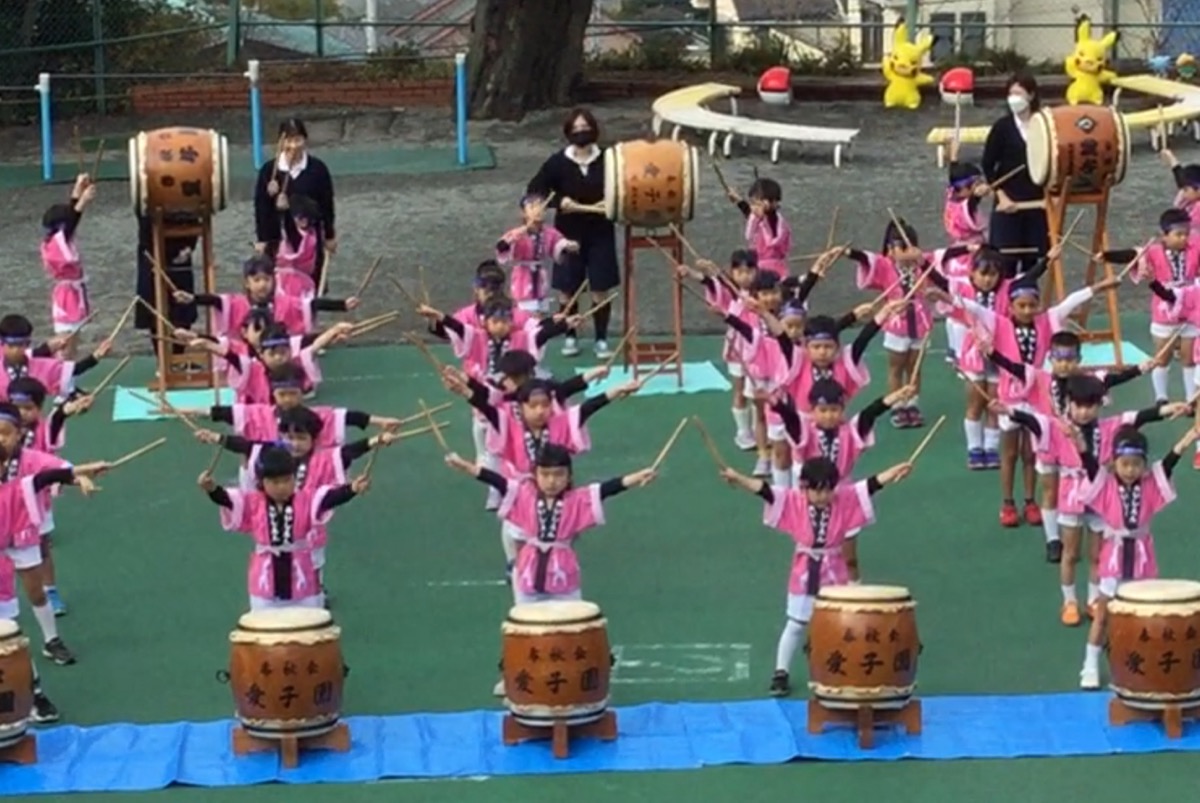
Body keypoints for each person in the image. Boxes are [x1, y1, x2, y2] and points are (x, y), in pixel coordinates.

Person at [526, 108, 621, 359]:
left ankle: (601, 339)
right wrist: (558, 201)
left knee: (600, 287)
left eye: (585, 128)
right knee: (568, 288)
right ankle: (570, 336)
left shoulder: (610, 158)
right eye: (576, 129)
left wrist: (611, 202)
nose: (581, 133)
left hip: (601, 230)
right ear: (568, 133)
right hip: (567, 234)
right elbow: (535, 190)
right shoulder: (557, 162)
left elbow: (624, 186)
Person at [254, 118, 336, 293]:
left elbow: (327, 204)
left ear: (305, 140)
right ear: (280, 142)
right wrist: (262, 239)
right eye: (288, 140)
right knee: (279, 289)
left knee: (310, 287)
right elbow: (261, 207)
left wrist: (329, 235)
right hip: (278, 240)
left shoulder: (317, 169)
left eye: (297, 139)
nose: (293, 146)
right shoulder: (269, 171)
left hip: (309, 240)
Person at [982, 73, 1049, 275]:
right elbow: (988, 164)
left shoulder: (1045, 124)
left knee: (1036, 262)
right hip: (1008, 202)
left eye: (1018, 93)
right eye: (1010, 94)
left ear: (1031, 95)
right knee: (1005, 262)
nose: (1014, 99)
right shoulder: (1002, 127)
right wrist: (1001, 196)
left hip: (1037, 202)